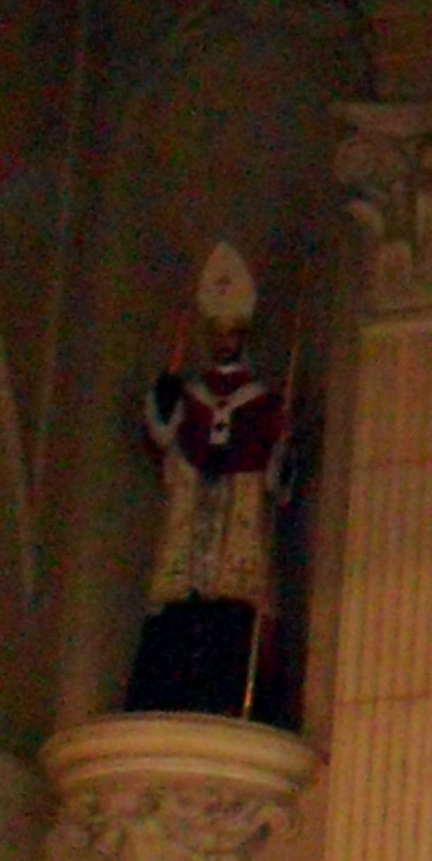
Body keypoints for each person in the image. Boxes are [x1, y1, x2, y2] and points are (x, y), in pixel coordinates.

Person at [126, 240, 298, 719]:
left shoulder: (260, 402)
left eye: (231, 334)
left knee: (235, 599)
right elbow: (163, 438)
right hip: (192, 514)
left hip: (237, 514)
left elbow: (276, 472)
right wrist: (164, 400)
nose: (224, 342)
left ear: (242, 337)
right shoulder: (193, 394)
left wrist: (281, 452)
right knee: (180, 596)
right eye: (218, 334)